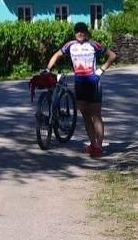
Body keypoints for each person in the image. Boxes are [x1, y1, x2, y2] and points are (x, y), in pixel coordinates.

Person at [45, 22, 116, 158]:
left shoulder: (94, 45)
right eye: (77, 31)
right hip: (79, 84)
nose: (79, 33)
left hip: (93, 83)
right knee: (86, 116)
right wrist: (48, 69)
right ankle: (93, 144)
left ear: (86, 32)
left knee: (96, 116)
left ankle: (99, 147)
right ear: (74, 33)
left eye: (82, 30)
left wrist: (101, 70)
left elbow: (112, 56)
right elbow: (56, 55)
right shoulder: (70, 46)